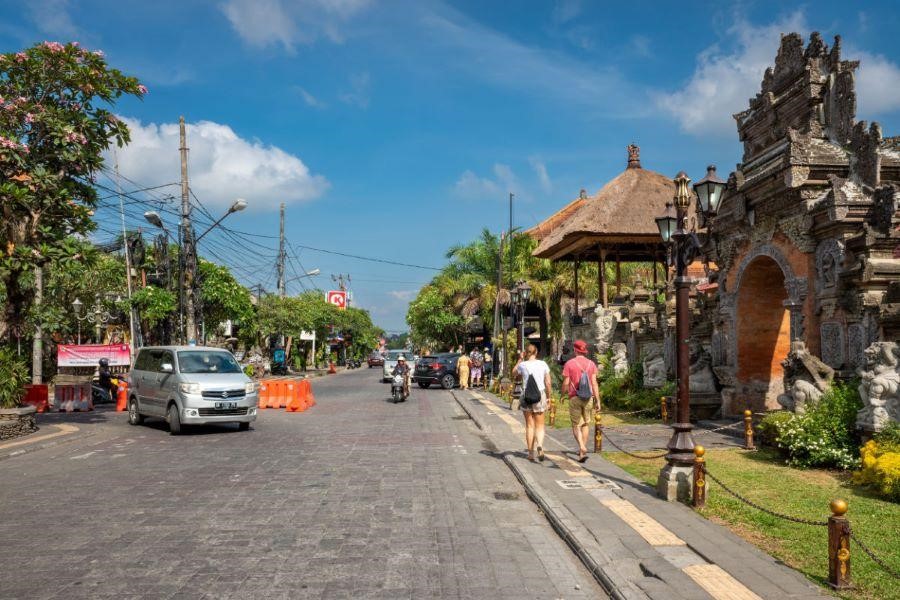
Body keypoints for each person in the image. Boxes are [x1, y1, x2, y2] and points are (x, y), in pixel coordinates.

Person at [561, 340, 599, 463]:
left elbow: (566, 382)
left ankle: (582, 446)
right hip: (588, 398)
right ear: (584, 351)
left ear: (575, 350)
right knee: (586, 424)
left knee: (576, 424)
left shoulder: (569, 364)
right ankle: (582, 453)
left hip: (574, 397)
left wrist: (562, 395)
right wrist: (598, 400)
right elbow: (594, 383)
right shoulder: (591, 364)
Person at [516, 344, 552, 462]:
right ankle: (539, 445)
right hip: (539, 395)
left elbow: (513, 373)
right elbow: (548, 383)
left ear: (526, 353)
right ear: (536, 352)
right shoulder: (543, 364)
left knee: (529, 425)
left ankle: (530, 453)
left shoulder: (523, 365)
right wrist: (549, 397)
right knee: (540, 425)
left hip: (526, 395)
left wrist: (520, 359)